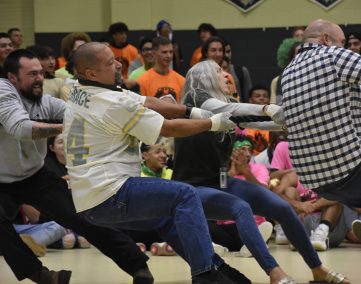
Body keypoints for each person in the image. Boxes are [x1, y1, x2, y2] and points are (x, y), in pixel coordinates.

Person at [64, 41, 244, 284]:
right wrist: (214, 123)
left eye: (115, 58)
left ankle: (217, 269)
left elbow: (144, 101)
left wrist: (191, 111)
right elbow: (168, 129)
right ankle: (207, 275)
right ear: (91, 73)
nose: (118, 64)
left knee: (168, 216)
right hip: (110, 194)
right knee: (185, 195)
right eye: (110, 62)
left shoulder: (80, 89)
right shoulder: (113, 103)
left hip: (88, 201)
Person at [173, 59, 349, 284]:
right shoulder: (195, 102)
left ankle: (318, 269)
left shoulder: (226, 105)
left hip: (221, 182)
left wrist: (297, 121)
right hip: (192, 189)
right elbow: (239, 110)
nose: (226, 75)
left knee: (283, 209)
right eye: (218, 71)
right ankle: (275, 273)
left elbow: (261, 122)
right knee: (241, 209)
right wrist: (267, 107)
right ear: (203, 79)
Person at [0, 49, 159, 284]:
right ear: (12, 77)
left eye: (41, 73)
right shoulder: (3, 91)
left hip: (34, 175)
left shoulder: (43, 101)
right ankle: (41, 275)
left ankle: (138, 267)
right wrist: (64, 127)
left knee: (84, 215)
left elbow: (81, 114)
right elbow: (21, 129)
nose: (39, 79)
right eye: (32, 74)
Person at [281, 19, 361, 260]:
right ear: (325, 39)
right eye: (343, 42)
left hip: (319, 180)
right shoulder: (332, 55)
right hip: (352, 163)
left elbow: (328, 121)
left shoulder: (288, 72)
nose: (346, 48)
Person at [136, 37, 185, 101]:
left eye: (171, 52)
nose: (169, 56)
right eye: (164, 52)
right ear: (154, 53)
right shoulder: (142, 81)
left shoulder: (181, 81)